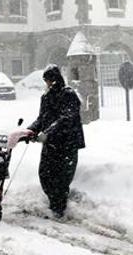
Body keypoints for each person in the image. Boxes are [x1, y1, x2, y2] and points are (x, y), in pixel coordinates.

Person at [26, 64, 85, 217]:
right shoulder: (46, 97)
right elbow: (42, 118)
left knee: (62, 177)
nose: (48, 83)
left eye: (50, 80)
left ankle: (59, 209)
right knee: (45, 175)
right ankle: (54, 204)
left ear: (56, 79)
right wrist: (30, 131)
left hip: (67, 143)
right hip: (50, 144)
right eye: (46, 81)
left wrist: (47, 133)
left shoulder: (68, 95)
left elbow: (66, 118)